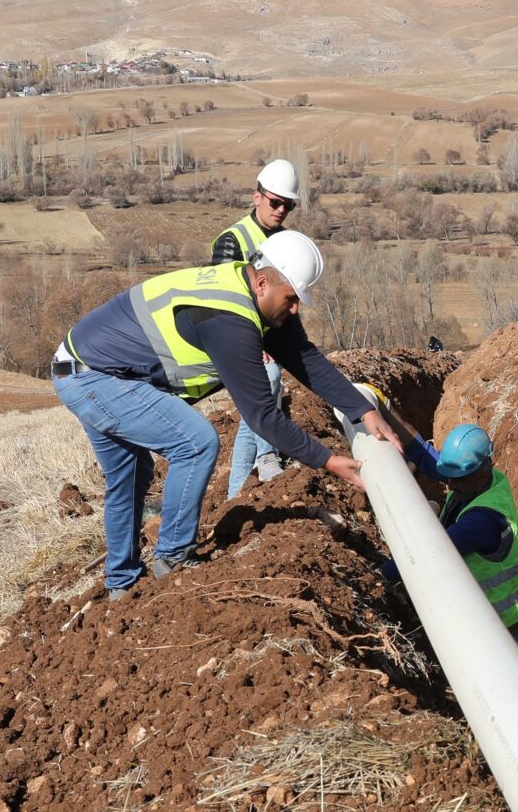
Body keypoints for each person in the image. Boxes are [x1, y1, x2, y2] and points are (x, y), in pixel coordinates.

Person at [51, 228, 402, 592]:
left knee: (133, 474)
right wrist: (329, 461)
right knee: (196, 442)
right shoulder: (228, 320)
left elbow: (304, 358)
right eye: (292, 298)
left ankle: (122, 584)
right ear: (263, 283)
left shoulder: (250, 292)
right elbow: (262, 415)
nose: (295, 308)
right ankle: (173, 558)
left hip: (86, 366)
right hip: (94, 377)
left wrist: (363, 410)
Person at [376, 422, 518, 664]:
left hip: (512, 627)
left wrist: (378, 576)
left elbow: (427, 552)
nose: (449, 485)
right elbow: (423, 452)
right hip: (489, 620)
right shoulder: (478, 481)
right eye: (449, 476)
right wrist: (381, 407)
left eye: (457, 480)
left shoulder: (482, 520)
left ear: (482, 473)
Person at [211, 159, 304, 499]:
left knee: (258, 405)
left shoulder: (286, 241)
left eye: (287, 205)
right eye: (275, 202)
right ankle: (266, 457)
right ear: (257, 197)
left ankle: (235, 492)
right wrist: (252, 343)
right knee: (268, 383)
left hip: (267, 338)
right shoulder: (231, 241)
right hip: (238, 338)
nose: (281, 210)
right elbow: (223, 300)